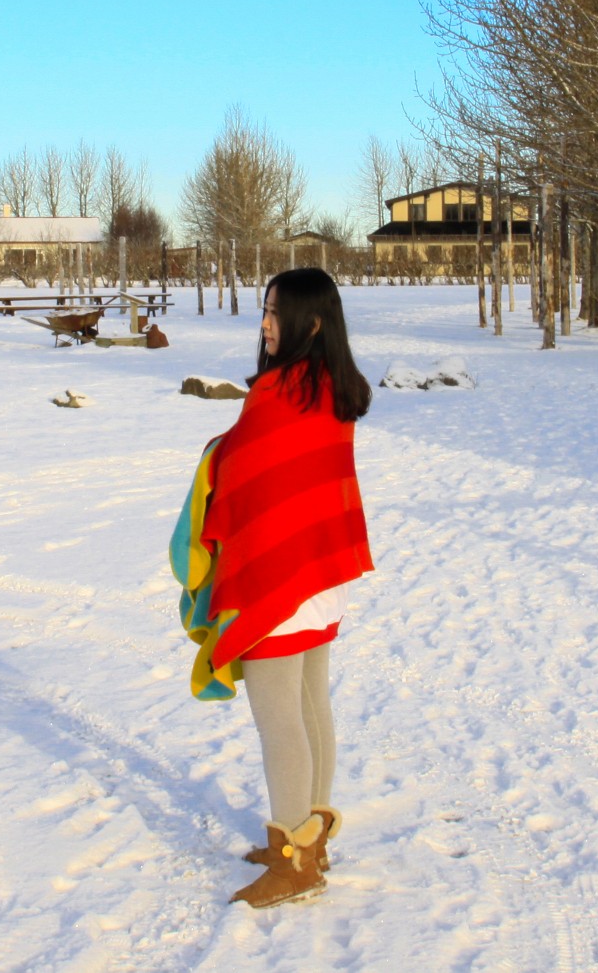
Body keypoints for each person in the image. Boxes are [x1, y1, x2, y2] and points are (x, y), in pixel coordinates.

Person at [195, 267, 374, 909]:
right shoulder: (332, 386)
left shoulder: (281, 394)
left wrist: (217, 459)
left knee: (279, 720)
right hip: (322, 570)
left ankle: (294, 860)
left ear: (312, 322)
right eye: (264, 311)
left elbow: (246, 473)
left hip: (283, 576)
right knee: (309, 704)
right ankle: (310, 839)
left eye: (274, 311)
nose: (265, 322)